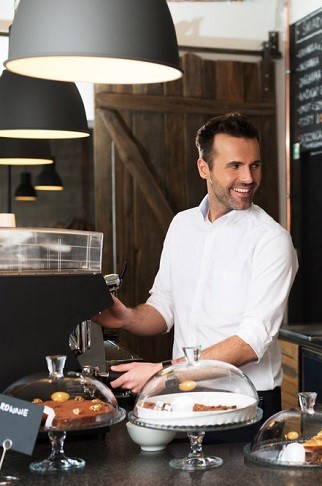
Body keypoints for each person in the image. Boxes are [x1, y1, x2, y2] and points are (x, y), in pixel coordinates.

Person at [92, 113, 298, 441]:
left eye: (254, 165)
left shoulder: (272, 239)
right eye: (235, 166)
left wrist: (164, 373)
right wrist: (127, 317)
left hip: (244, 402)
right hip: (183, 398)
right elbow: (164, 308)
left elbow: (250, 342)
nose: (248, 177)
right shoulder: (182, 225)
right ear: (204, 168)